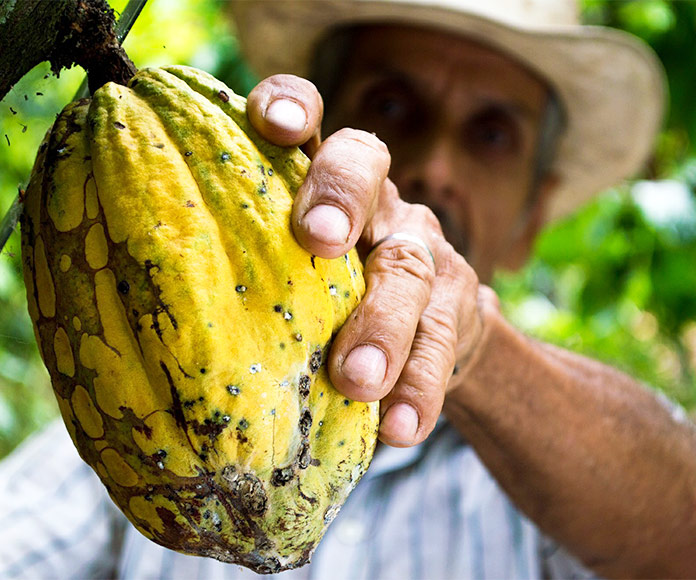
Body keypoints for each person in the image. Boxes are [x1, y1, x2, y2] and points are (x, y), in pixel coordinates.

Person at [2, 0, 695, 578]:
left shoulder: (570, 488)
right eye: (392, 103)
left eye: (491, 134)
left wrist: (475, 348)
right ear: (301, 139)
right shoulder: (135, 408)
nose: (433, 166)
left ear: (532, 218)